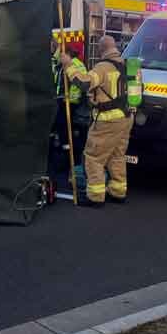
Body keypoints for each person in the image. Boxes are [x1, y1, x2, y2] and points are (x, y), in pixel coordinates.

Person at [62, 35, 133, 207]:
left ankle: (95, 196)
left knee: (94, 157)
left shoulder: (103, 67)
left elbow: (84, 83)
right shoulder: (128, 65)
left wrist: (68, 66)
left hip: (108, 120)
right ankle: (118, 192)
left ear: (101, 49)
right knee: (117, 156)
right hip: (126, 118)